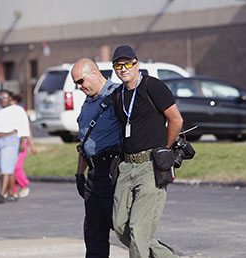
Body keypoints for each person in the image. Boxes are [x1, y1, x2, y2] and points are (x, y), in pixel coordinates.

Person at [111, 45, 183, 258]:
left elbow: (176, 120)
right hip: (126, 166)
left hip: (150, 165)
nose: (124, 69)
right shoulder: (118, 95)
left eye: (128, 64)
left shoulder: (153, 86)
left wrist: (165, 149)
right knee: (119, 225)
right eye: (118, 65)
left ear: (137, 64)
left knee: (139, 229)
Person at [71, 58, 121, 258]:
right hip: (93, 174)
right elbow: (84, 141)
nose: (79, 87)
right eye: (76, 83)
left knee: (125, 231)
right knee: (93, 234)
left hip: (113, 172)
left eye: (81, 81)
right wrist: (79, 174)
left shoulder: (118, 95)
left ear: (94, 73)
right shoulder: (88, 101)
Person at [0, 90, 30, 203]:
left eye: (5, 96)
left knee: (5, 169)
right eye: (0, 97)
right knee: (7, 169)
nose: (2, 98)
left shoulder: (17, 110)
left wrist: (23, 141)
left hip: (10, 140)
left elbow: (23, 125)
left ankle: (2, 194)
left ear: (10, 98)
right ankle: (12, 194)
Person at [11, 94, 37, 198]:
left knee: (17, 167)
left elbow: (27, 130)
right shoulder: (7, 113)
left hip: (21, 143)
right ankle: (12, 189)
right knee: (10, 168)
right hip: (11, 143)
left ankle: (24, 185)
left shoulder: (21, 113)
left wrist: (32, 145)